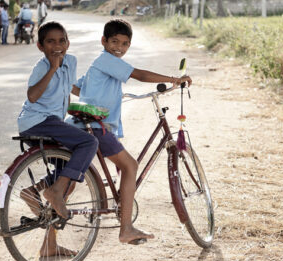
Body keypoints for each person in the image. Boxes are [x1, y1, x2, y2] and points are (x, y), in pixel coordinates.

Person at [65, 19, 192, 245]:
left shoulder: (98, 65)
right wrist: (175, 80)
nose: (119, 47)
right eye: (114, 41)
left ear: (129, 45)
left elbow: (77, 88)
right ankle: (126, 228)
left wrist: (100, 96)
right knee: (130, 166)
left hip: (84, 125)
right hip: (97, 127)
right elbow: (140, 75)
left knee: (72, 175)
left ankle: (40, 194)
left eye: (125, 44)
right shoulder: (107, 60)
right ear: (103, 41)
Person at [18, 21, 98, 256]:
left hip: (52, 122)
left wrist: (93, 102)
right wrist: (52, 68)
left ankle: (34, 192)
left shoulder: (71, 61)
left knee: (69, 166)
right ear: (40, 46)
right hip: (38, 121)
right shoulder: (41, 67)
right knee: (89, 142)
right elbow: (32, 96)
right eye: (51, 42)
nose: (57, 45)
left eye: (61, 40)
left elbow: (68, 88)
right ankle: (53, 193)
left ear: (68, 43)